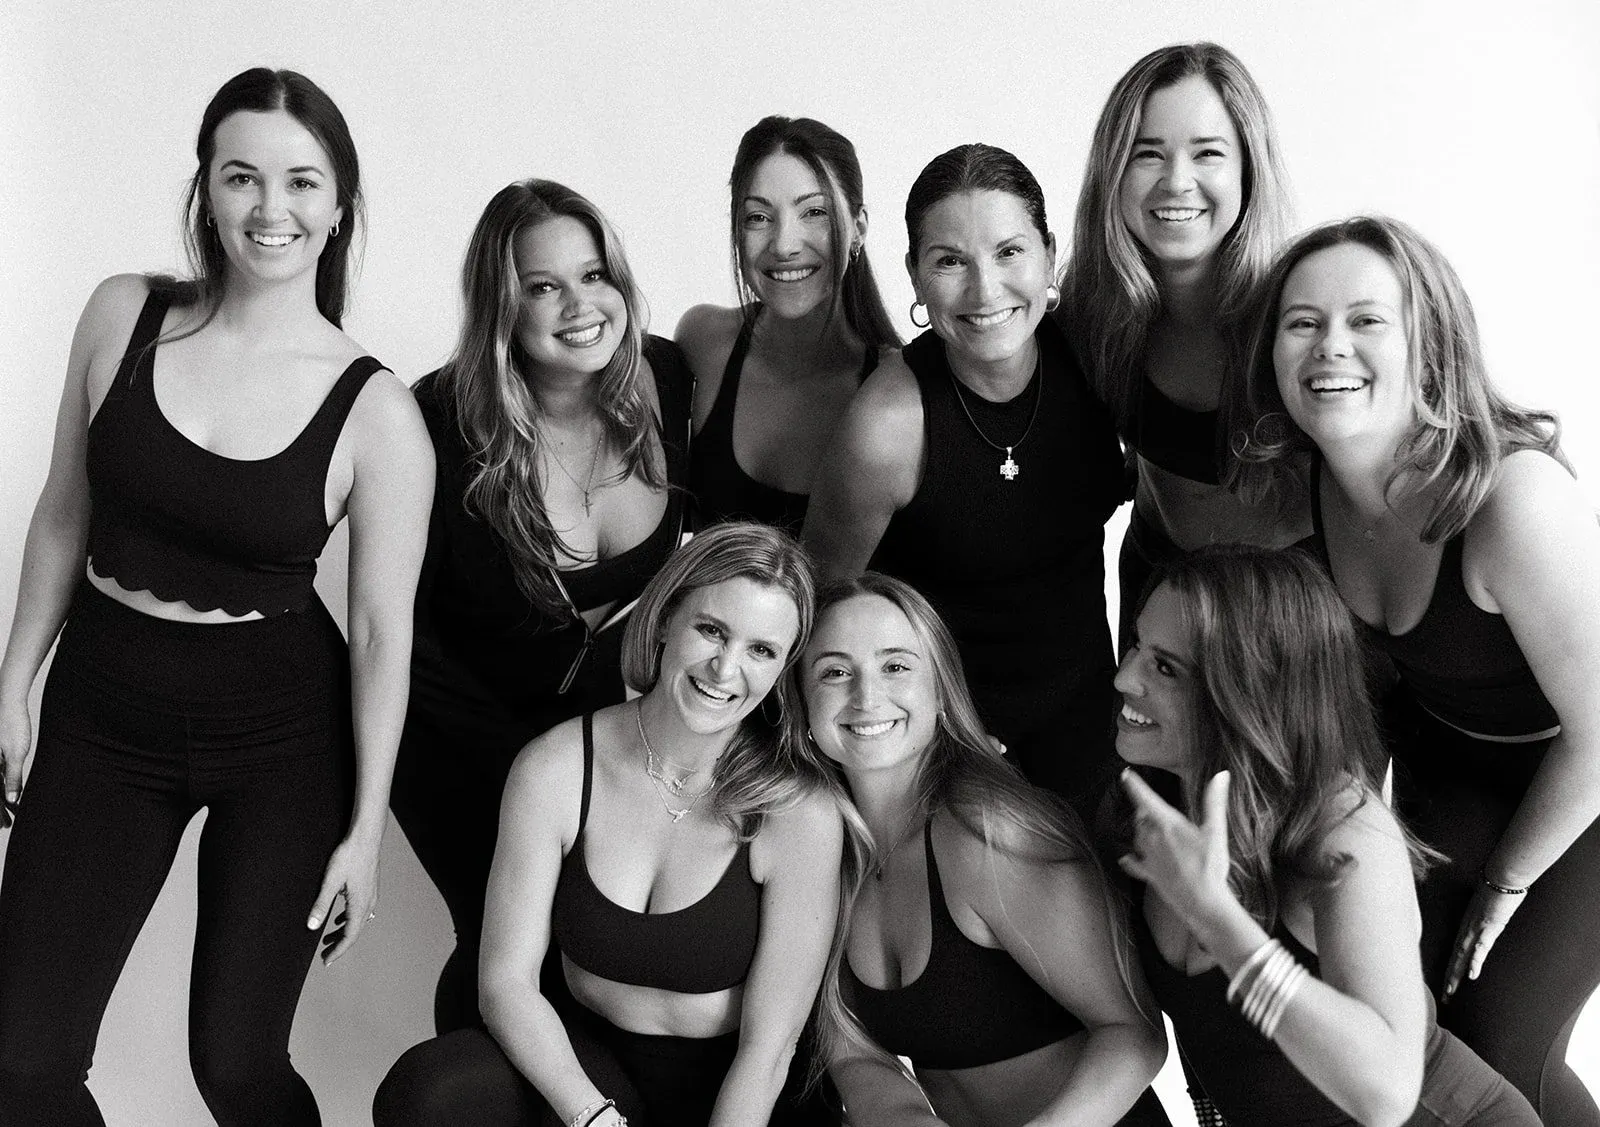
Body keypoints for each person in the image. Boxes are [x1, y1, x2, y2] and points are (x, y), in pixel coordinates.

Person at [0, 68, 432, 1125]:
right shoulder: (124, 314)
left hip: (282, 739)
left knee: (236, 1067)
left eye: (301, 182)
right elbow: (62, 511)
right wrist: (12, 687)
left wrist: (365, 830)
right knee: (21, 1062)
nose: (270, 208)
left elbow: (383, 634)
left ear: (340, 206)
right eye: (242, 177)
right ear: (206, 188)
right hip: (103, 710)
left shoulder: (377, 411)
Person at [1232, 215, 1600, 1124]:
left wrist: (1503, 884)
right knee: (1414, 1027)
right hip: (1454, 770)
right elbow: (1363, 704)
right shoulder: (1296, 504)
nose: (1332, 346)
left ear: (1428, 344)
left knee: (1503, 1040)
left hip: (1586, 783)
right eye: (1303, 322)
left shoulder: (1512, 502)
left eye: (1366, 320)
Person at [374, 523, 845, 1127]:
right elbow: (506, 984)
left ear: (783, 668)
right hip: (594, 1067)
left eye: (761, 651)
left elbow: (770, 1050)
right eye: (711, 630)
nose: (725, 669)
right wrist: (592, 1116)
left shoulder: (798, 810)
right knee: (428, 1092)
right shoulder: (556, 768)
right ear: (667, 617)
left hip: (739, 1091)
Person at [389, 179, 693, 1033]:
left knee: (590, 951)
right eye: (543, 286)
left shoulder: (668, 380)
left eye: (594, 275)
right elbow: (388, 620)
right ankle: (460, 1087)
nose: (580, 305)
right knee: (500, 945)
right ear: (502, 305)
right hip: (457, 736)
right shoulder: (435, 419)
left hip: (599, 739)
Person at [1116, 545, 1538, 1127]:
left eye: (1165, 668)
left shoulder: (1346, 832)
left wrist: (1217, 918)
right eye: (1136, 646)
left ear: (1252, 692)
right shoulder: (1152, 797)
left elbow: (1386, 1097)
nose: (1123, 677)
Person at [805, 144, 1125, 811]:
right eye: (950, 261)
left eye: (1009, 252)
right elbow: (821, 607)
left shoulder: (1096, 356)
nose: (985, 291)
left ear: (1049, 255)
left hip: (1092, 727)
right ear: (915, 276)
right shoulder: (888, 423)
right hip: (944, 750)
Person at [798, 572, 1170, 1126]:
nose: (867, 697)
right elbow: (854, 1052)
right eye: (834, 672)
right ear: (801, 702)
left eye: (896, 666)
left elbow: (1134, 1035)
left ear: (941, 690)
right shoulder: (823, 854)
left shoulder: (990, 833)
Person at [1059, 41, 1305, 650]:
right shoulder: (1091, 310)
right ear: (1113, 171)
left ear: (1249, 170)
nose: (1176, 182)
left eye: (1207, 153)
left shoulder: (1298, 313)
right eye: (1147, 153)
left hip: (1288, 602)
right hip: (1158, 580)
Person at [680, 115, 900, 535]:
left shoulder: (893, 388)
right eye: (758, 217)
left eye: (814, 212)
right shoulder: (702, 342)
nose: (783, 245)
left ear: (858, 229)